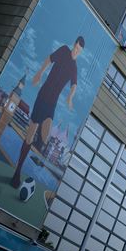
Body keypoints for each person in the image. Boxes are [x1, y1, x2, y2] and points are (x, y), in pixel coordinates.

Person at [11, 36, 84, 188]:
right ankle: (17, 172)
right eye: (76, 48)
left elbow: (74, 84)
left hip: (52, 105)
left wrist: (70, 98)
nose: (76, 52)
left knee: (45, 138)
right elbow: (49, 59)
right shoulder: (64, 50)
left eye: (79, 51)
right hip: (42, 98)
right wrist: (39, 73)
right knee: (30, 135)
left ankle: (32, 164)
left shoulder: (74, 67)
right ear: (73, 45)